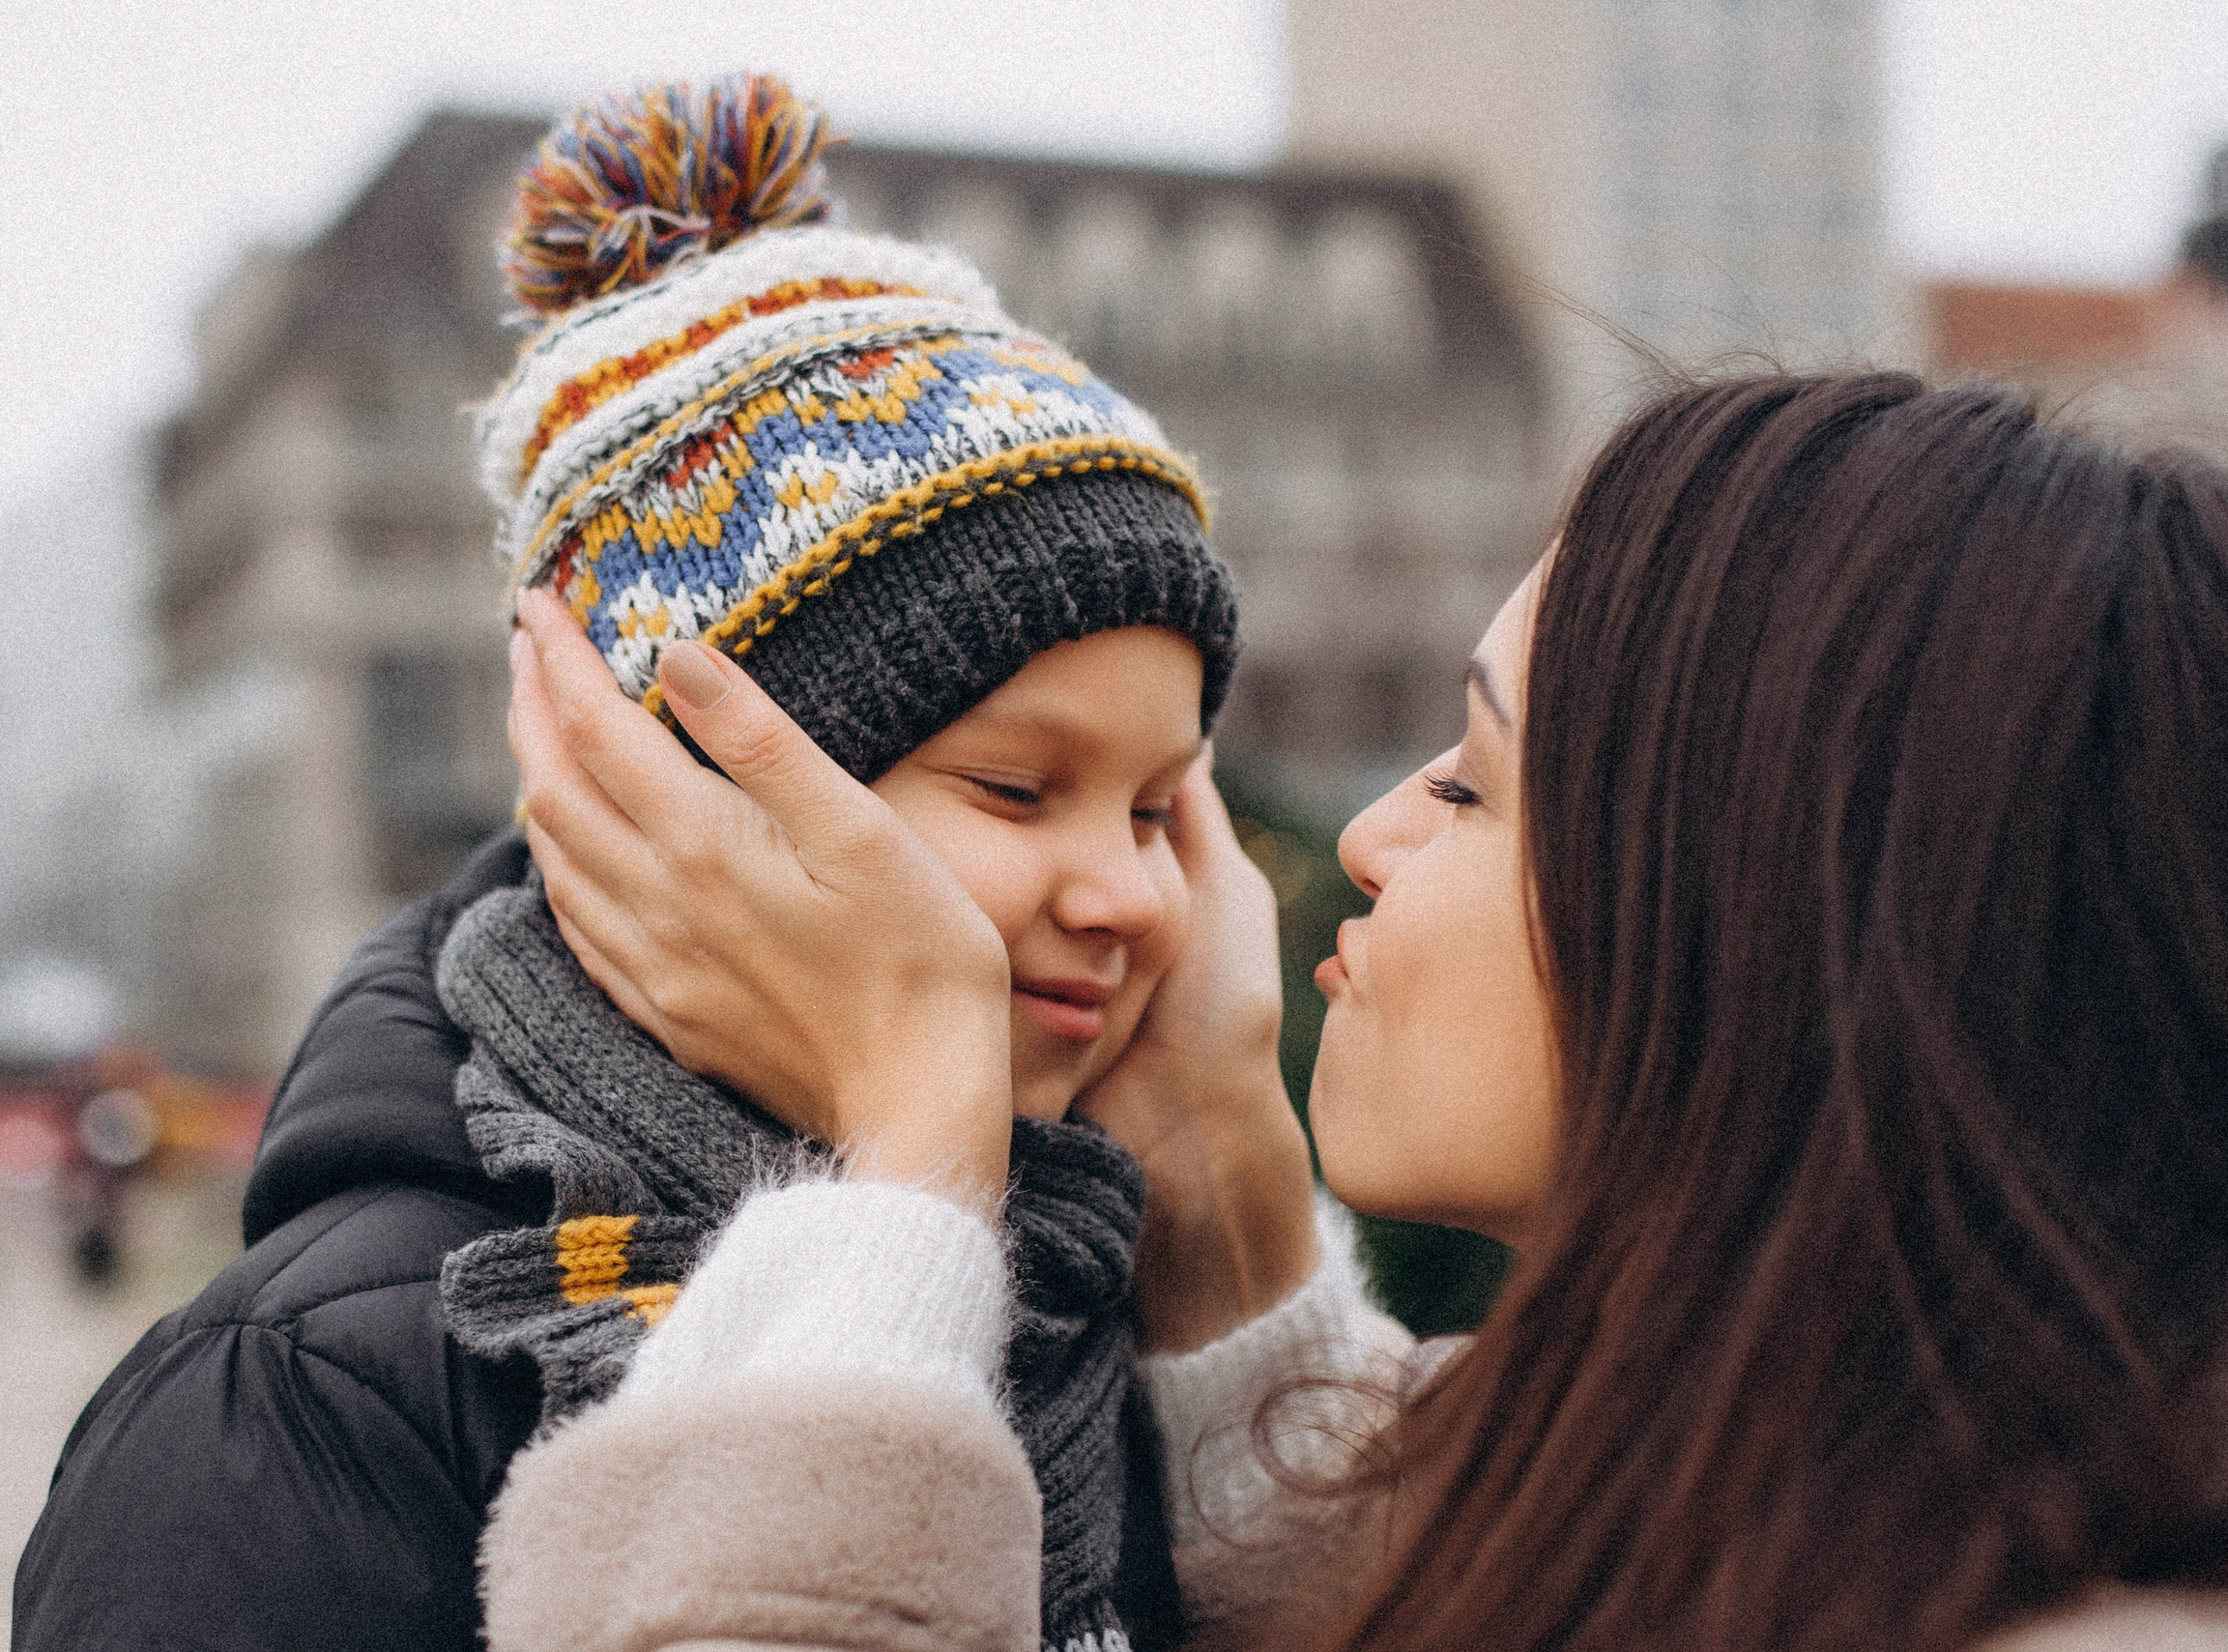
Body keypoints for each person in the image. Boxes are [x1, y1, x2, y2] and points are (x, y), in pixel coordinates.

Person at [479, 371, 2228, 1649]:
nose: (1369, 836)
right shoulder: (1836, 1518)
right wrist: (1220, 1176)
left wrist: (907, 1148)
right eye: (1023, 790)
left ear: (1760, 917)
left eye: (1474, 782)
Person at [14, 76, 1272, 1652]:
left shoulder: (1111, 1321)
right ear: (675, 800)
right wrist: (908, 1164)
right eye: (1019, 789)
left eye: (1162, 809)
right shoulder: (312, 1401)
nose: (1136, 894)